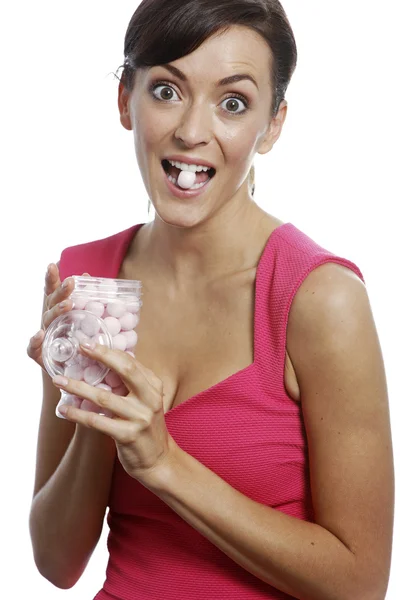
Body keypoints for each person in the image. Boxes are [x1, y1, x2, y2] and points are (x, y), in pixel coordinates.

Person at [27, 1, 394, 599]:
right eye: (167, 90)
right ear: (126, 98)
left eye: (232, 103)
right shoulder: (86, 279)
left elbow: (361, 584)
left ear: (272, 125)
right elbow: (56, 561)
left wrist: (164, 464)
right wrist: (97, 400)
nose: (192, 131)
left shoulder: (320, 300)